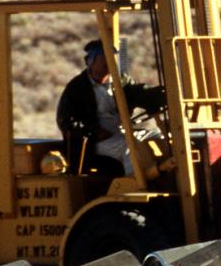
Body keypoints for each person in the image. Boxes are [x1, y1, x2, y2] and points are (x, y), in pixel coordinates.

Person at [56, 40, 164, 176]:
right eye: (105, 58)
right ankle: (136, 184)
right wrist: (94, 132)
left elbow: (137, 93)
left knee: (156, 136)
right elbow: (66, 122)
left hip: (119, 134)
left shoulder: (119, 81)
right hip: (93, 144)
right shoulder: (77, 88)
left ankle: (162, 176)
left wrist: (158, 95)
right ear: (91, 61)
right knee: (130, 145)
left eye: (112, 58)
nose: (110, 63)